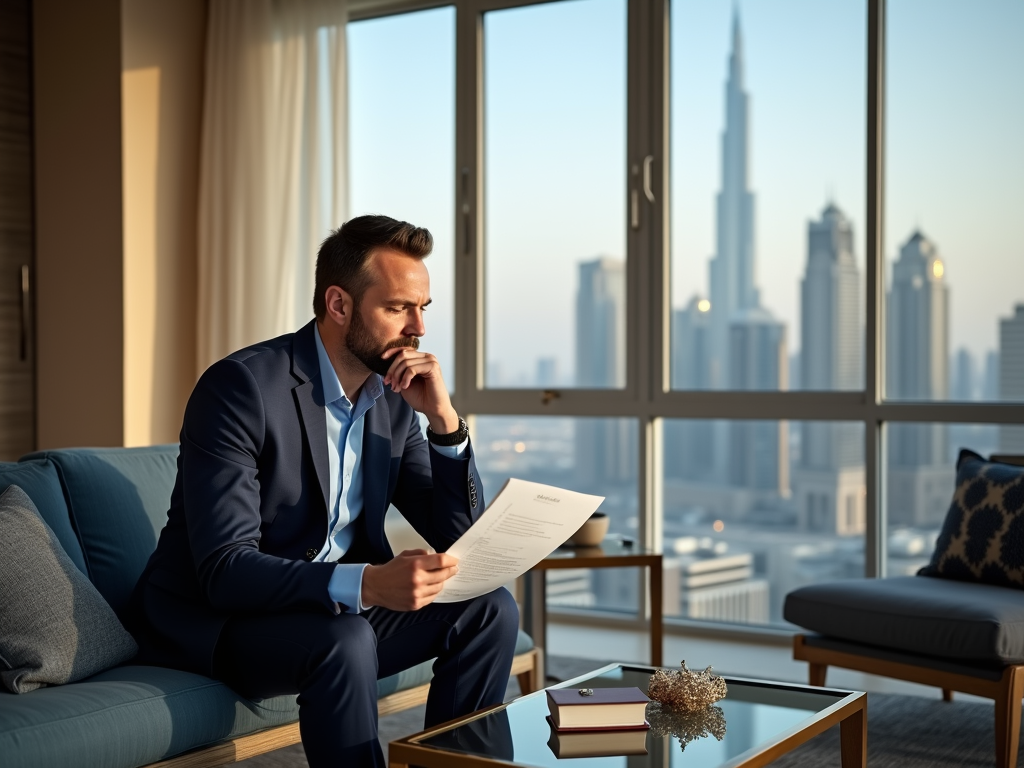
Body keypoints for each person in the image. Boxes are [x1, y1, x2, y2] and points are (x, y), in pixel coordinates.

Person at [129, 215, 519, 767]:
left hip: (333, 611)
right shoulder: (240, 389)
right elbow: (225, 569)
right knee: (346, 642)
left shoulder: (392, 400)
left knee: (489, 608)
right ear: (339, 305)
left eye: (422, 309)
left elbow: (459, 537)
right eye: (397, 308)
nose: (418, 329)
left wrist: (445, 423)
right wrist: (368, 583)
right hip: (224, 620)